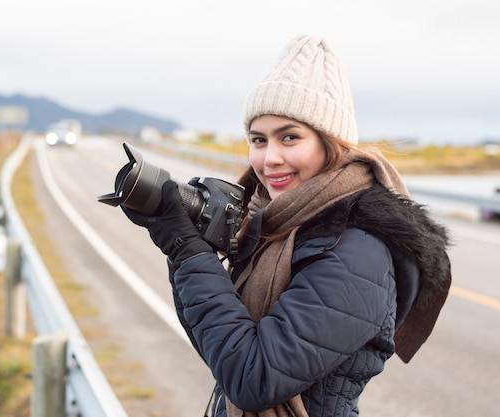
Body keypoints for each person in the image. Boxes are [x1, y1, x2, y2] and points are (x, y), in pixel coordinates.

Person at [124, 34, 452, 417]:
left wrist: (187, 250)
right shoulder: (274, 226)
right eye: (258, 139)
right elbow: (223, 355)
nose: (270, 158)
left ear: (332, 143)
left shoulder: (359, 249)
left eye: (290, 137)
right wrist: (183, 250)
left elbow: (252, 379)